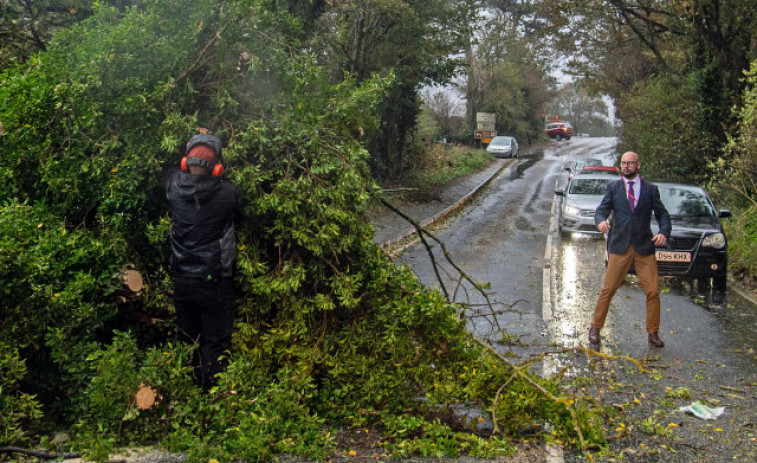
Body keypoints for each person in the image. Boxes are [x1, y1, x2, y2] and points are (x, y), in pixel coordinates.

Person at [165, 133, 238, 389]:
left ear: (185, 161)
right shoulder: (227, 193)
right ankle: (210, 395)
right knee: (214, 341)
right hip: (214, 280)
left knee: (188, 337)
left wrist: (196, 143)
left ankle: (186, 391)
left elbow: (173, 174)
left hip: (182, 279)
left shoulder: (173, 187)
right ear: (218, 167)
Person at [588, 151, 671, 347]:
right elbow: (601, 210)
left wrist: (664, 233)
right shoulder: (614, 188)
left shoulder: (650, 190)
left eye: (630, 163)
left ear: (638, 165)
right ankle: (595, 328)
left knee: (652, 291)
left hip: (644, 247)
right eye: (623, 163)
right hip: (620, 246)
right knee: (608, 289)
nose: (626, 167)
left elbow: (663, 214)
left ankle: (653, 333)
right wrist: (600, 222)